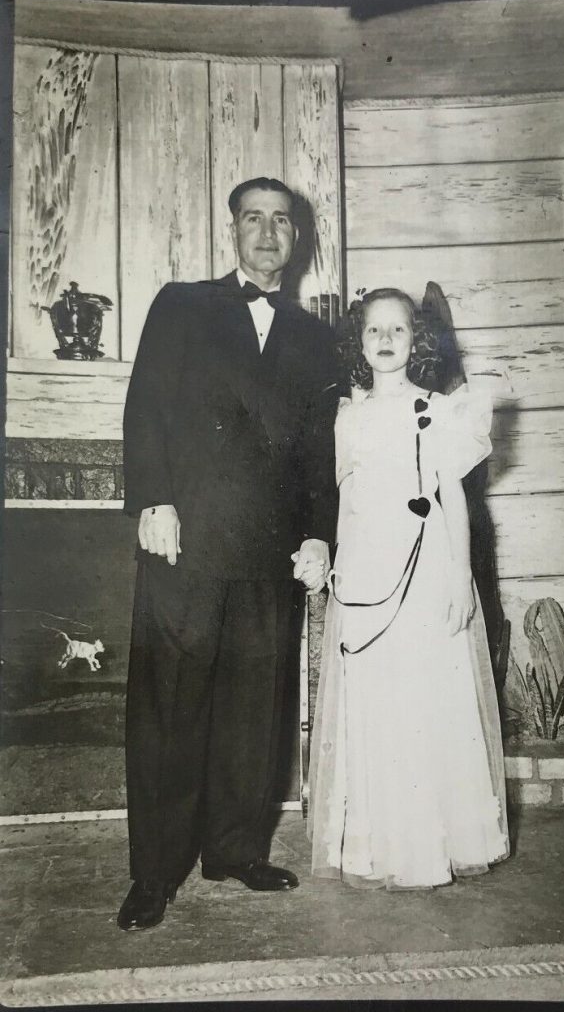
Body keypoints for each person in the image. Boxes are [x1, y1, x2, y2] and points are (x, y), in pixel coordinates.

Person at [118, 177, 338, 930]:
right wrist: (153, 500)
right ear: (232, 231)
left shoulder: (316, 339)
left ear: (297, 239)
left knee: (256, 710)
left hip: (267, 549)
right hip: (185, 540)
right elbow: (146, 404)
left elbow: (319, 449)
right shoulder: (181, 305)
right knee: (170, 708)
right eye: (254, 218)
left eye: (282, 221)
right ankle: (154, 873)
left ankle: (237, 850)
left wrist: (318, 534)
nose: (268, 232)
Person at [307, 287, 510, 890]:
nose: (387, 339)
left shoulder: (440, 411)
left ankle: (431, 842)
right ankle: (375, 845)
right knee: (375, 700)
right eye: (375, 331)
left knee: (425, 700)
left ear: (417, 341)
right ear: (359, 343)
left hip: (424, 572)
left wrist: (457, 578)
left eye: (399, 330)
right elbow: (344, 499)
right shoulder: (346, 415)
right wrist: (337, 569)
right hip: (368, 573)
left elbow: (451, 501)